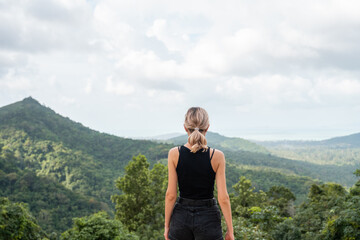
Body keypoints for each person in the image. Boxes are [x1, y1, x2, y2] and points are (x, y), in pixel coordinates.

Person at [164, 107, 234, 240]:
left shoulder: (174, 153)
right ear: (207, 127)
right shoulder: (217, 156)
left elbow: (170, 195)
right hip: (208, 219)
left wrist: (167, 226)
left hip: (180, 219)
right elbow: (223, 198)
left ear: (185, 127)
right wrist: (230, 231)